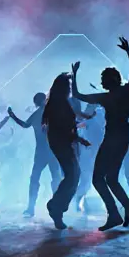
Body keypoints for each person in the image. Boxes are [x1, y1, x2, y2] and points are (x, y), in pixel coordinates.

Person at [72, 36, 129, 230]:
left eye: (104, 79)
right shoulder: (124, 93)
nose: (102, 81)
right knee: (110, 178)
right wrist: (128, 51)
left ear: (109, 80)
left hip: (113, 138)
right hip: (121, 138)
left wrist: (75, 74)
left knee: (98, 178)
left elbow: (78, 95)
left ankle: (115, 214)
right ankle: (127, 209)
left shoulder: (107, 97)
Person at [42, 72, 92, 229]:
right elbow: (62, 127)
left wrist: (78, 138)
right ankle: (55, 206)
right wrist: (76, 138)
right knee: (72, 176)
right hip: (62, 143)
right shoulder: (59, 104)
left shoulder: (61, 102)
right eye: (69, 85)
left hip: (63, 143)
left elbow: (68, 125)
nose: (70, 88)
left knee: (73, 176)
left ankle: (57, 207)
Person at [7, 92, 60, 217]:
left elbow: (25, 125)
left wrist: (12, 116)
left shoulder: (43, 113)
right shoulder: (48, 113)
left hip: (46, 151)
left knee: (39, 178)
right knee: (53, 178)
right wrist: (13, 116)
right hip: (49, 151)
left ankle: (33, 208)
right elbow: (26, 125)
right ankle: (53, 205)